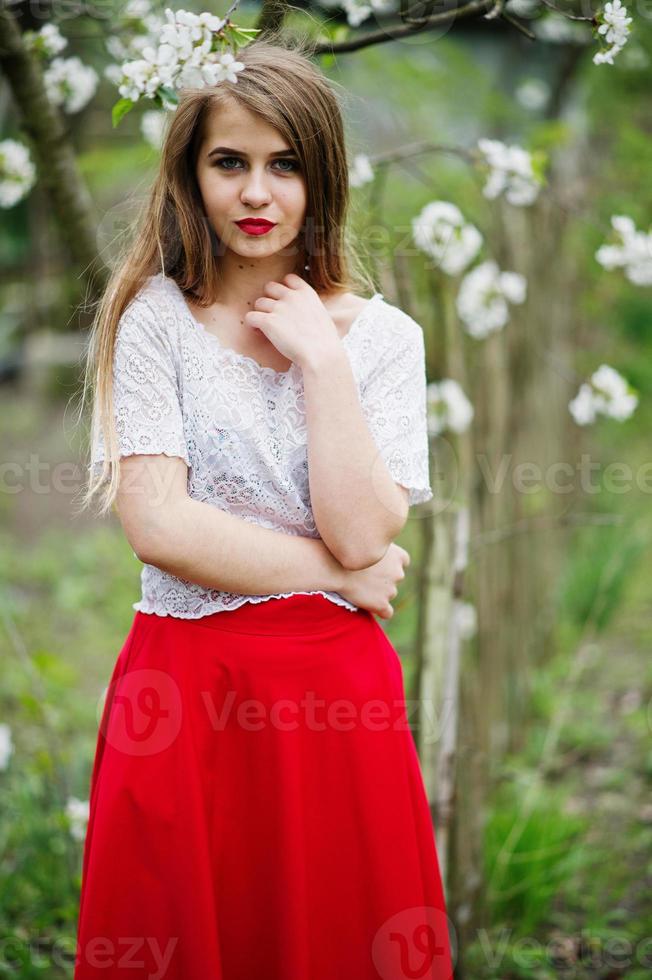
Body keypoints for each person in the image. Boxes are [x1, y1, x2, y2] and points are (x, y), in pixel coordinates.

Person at [73, 34, 454, 980]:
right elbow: (161, 527)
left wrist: (322, 361)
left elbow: (366, 528)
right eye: (229, 163)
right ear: (191, 175)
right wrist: (340, 575)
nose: (256, 193)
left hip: (338, 696)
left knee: (328, 931)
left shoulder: (383, 342)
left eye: (285, 165)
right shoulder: (153, 319)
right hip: (188, 687)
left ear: (322, 177)